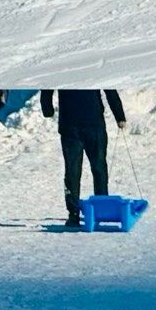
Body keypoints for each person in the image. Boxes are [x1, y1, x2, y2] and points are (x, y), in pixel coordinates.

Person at [40, 88, 126, 228]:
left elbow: (109, 88)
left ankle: (100, 209)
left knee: (98, 168)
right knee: (73, 172)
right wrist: (47, 108)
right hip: (70, 128)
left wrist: (119, 115)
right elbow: (48, 85)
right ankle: (73, 213)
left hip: (93, 125)